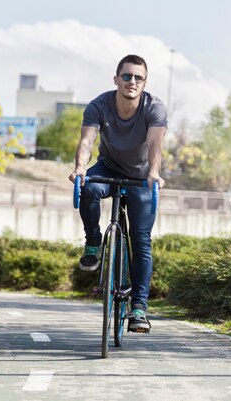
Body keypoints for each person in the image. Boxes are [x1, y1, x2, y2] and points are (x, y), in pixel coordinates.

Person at [69, 54, 167, 333]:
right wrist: (79, 167)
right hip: (108, 168)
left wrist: (154, 172)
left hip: (141, 176)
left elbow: (155, 145)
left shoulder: (154, 108)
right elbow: (87, 140)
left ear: (144, 82)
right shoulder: (99, 105)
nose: (132, 82)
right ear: (116, 79)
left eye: (138, 78)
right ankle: (93, 243)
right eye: (126, 76)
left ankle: (139, 307)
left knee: (141, 240)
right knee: (88, 187)